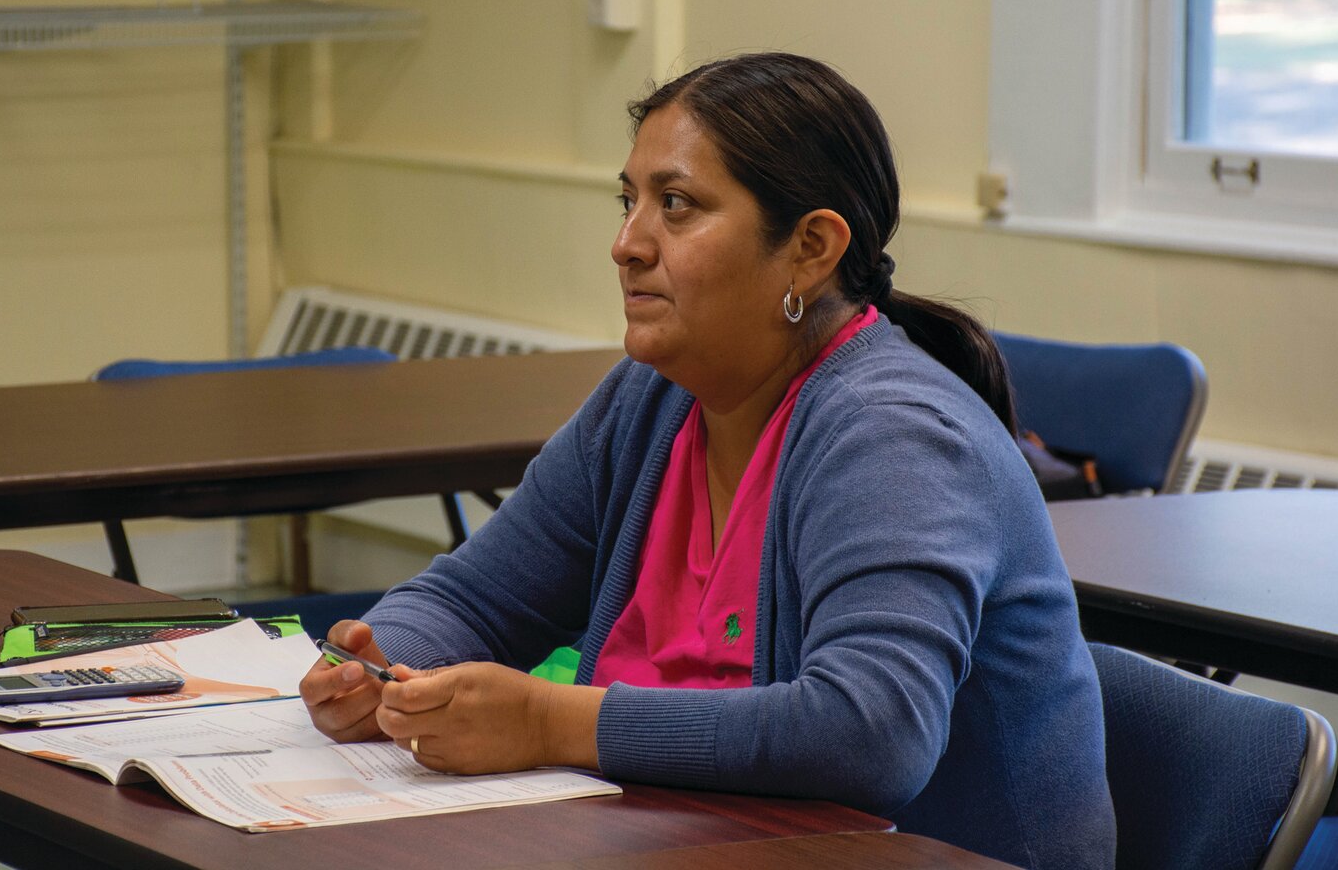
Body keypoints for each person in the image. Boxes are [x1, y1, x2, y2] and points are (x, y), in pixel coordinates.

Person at [301, 52, 1115, 869]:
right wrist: (380, 667)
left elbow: (871, 734)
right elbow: (476, 598)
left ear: (810, 247)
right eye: (629, 202)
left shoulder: (893, 434)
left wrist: (549, 723)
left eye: (677, 206)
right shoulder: (649, 400)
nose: (627, 244)